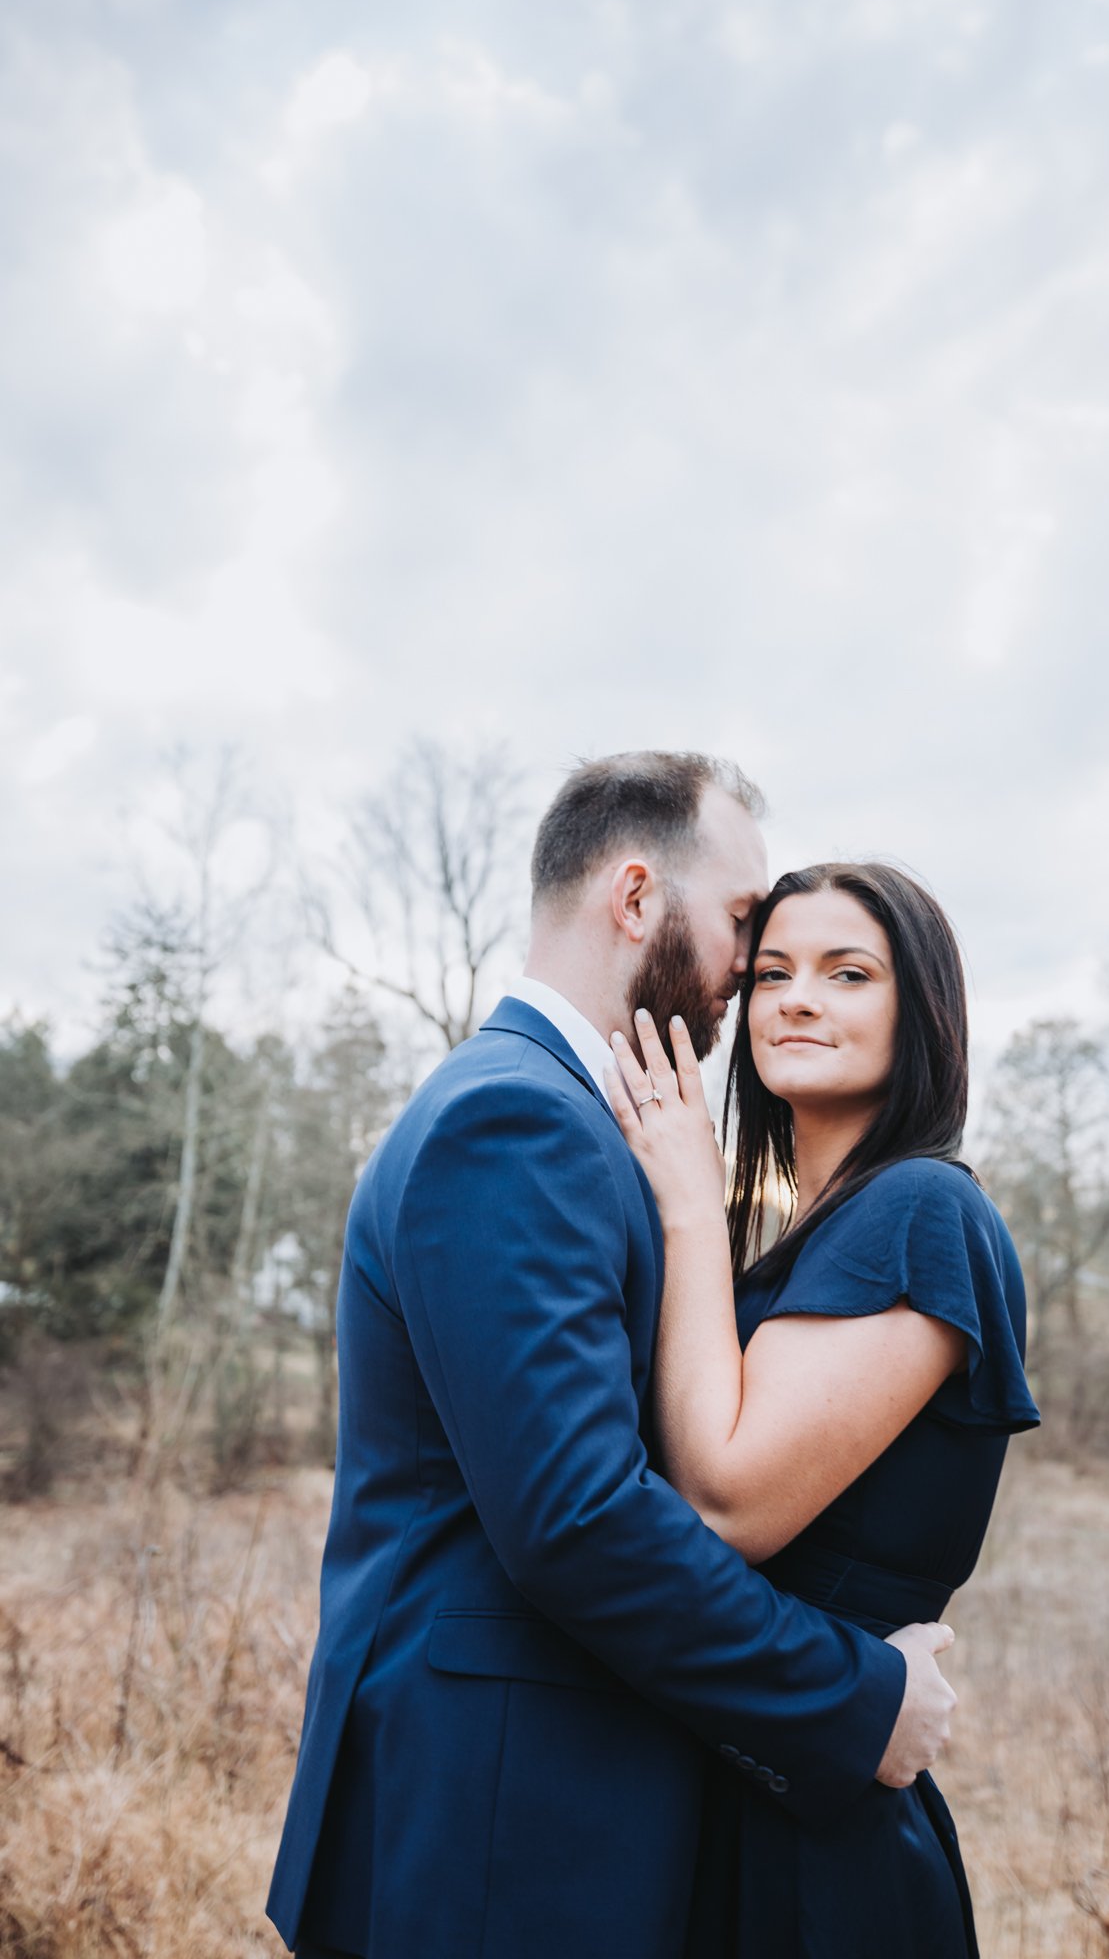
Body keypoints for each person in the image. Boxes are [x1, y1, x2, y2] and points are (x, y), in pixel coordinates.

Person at [266, 756, 958, 1959]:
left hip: (538, 1801)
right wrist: (852, 1696)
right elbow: (576, 1513)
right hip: (497, 1816)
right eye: (746, 921)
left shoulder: (583, 1121)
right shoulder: (515, 1118)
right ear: (637, 898)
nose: (753, 963)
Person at [605, 860, 1040, 1958]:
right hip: (737, 1789)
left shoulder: (921, 1209)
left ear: (922, 1011)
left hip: (815, 1848)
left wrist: (693, 1208)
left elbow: (729, 1502)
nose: (795, 997)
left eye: (848, 972)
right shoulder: (813, 1236)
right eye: (771, 972)